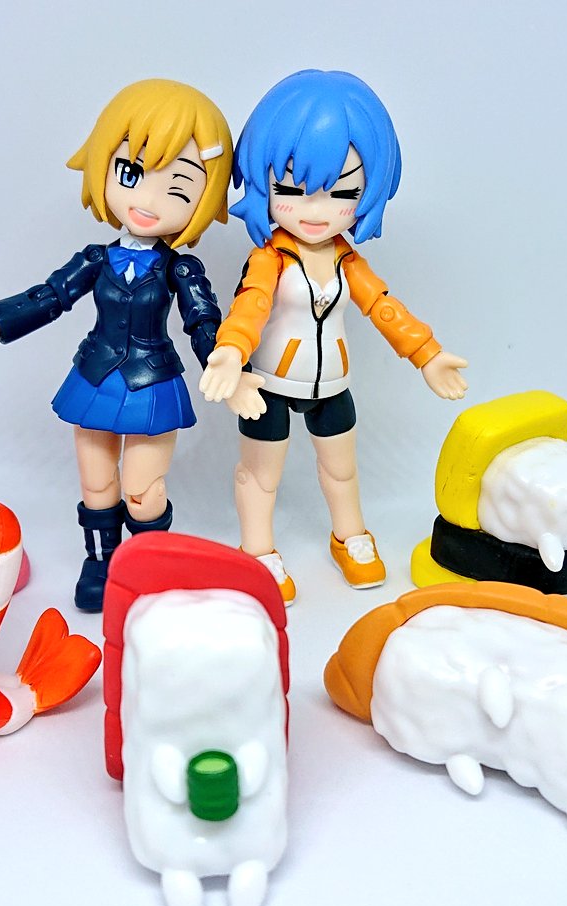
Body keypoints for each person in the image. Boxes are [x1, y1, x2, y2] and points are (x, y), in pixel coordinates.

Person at [0, 79, 246, 612]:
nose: (147, 201)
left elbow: (203, 321)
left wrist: (226, 363)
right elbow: (51, 295)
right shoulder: (95, 258)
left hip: (151, 382)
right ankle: (101, 561)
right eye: (131, 173)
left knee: (142, 492)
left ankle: (148, 560)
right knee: (97, 486)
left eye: (178, 188)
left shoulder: (181, 268)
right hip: (94, 377)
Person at [200, 70, 468, 605]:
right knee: (262, 475)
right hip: (272, 382)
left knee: (341, 469)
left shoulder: (349, 261)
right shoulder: (270, 258)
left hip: (332, 384)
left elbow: (384, 307)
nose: (317, 211)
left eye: (343, 192)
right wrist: (230, 353)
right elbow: (250, 306)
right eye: (292, 190)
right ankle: (257, 550)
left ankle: (350, 535)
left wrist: (427, 355)